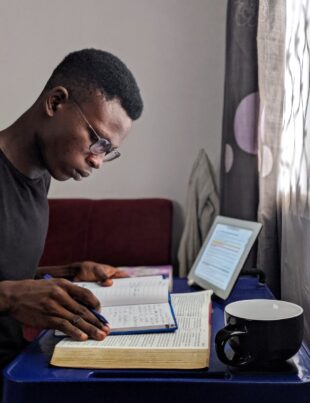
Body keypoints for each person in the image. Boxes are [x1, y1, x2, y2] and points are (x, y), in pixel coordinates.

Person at [0, 48, 143, 370]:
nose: (97, 160)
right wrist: (9, 296)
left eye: (109, 152)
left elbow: (7, 274)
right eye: (99, 142)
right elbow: (8, 290)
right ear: (55, 102)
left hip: (16, 366)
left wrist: (69, 272)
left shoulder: (38, 177)